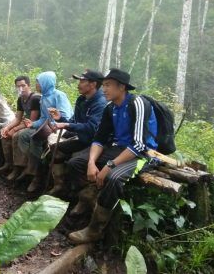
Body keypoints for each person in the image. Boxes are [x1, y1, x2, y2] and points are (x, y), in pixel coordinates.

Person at [67, 69, 158, 244]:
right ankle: (89, 197)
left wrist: (109, 165)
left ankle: (95, 229)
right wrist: (92, 163)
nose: (104, 89)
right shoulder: (111, 108)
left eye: (108, 85)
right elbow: (99, 138)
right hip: (119, 148)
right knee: (76, 162)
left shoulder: (138, 103)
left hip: (143, 154)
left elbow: (139, 145)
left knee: (114, 177)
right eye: (104, 84)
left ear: (122, 87)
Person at [46, 70, 107, 195]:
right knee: (56, 148)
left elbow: (92, 128)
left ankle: (84, 195)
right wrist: (61, 119)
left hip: (97, 143)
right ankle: (60, 185)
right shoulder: (81, 99)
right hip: (84, 139)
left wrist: (66, 124)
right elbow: (74, 121)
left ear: (93, 84)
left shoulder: (101, 103)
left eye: (82, 81)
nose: (78, 84)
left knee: (75, 162)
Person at [17, 71, 73, 192]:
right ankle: (35, 166)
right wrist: (32, 124)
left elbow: (66, 116)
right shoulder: (43, 97)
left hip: (61, 128)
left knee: (35, 139)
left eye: (38, 83)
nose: (37, 85)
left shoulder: (59, 95)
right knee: (24, 137)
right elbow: (43, 118)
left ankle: (38, 174)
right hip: (46, 126)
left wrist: (55, 120)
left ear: (45, 83)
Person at [0, 76, 41, 180]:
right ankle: (9, 163)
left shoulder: (35, 98)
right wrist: (7, 128)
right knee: (4, 134)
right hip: (25, 122)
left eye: (23, 85)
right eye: (18, 87)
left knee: (16, 135)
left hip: (35, 125)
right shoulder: (20, 99)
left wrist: (14, 129)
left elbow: (31, 121)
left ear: (29, 85)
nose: (20, 88)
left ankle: (19, 168)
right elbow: (18, 118)